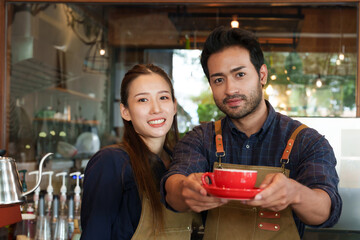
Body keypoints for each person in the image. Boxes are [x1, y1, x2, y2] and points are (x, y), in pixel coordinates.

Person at [161, 27, 342, 239]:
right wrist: (185, 189)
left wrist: (295, 193)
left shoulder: (307, 141)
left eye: (240, 74)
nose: (230, 89)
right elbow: (172, 188)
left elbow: (326, 211)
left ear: (262, 75)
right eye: (219, 79)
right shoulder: (200, 139)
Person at [81, 64, 198, 240]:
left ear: (174, 106)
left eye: (164, 97)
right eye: (143, 100)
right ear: (125, 111)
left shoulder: (180, 163)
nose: (156, 109)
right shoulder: (111, 162)